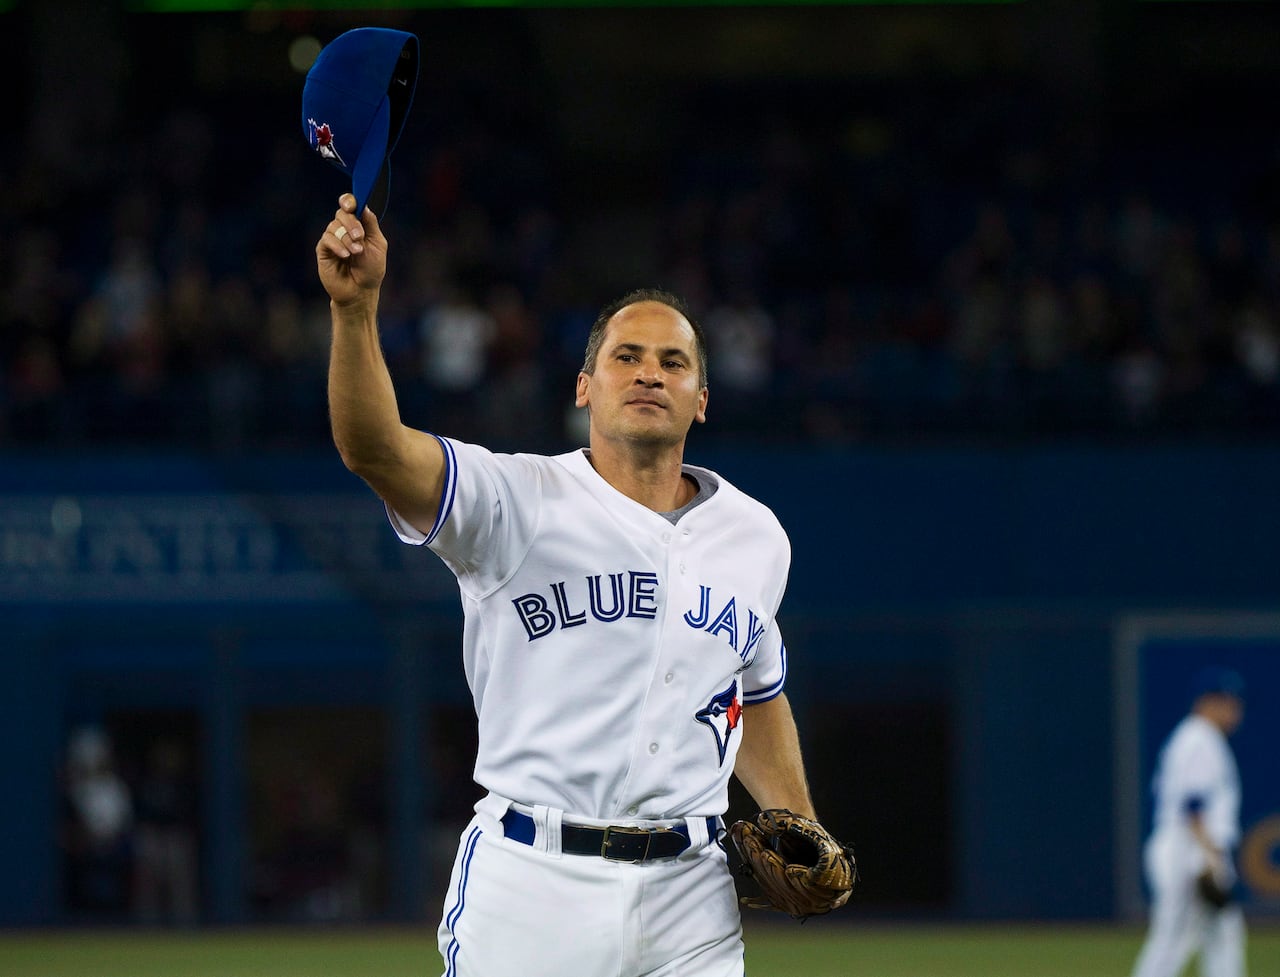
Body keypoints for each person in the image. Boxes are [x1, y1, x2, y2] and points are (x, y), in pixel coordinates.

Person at [316, 193, 836, 976]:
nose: (648, 373)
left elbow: (755, 691)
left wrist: (795, 815)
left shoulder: (756, 537)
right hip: (533, 879)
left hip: (691, 893)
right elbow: (374, 450)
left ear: (702, 398)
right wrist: (355, 313)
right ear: (585, 386)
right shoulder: (513, 501)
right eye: (625, 356)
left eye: (673, 362)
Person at [1131, 667, 1247, 977]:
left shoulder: (1194, 737)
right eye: (1229, 702)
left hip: (1189, 845)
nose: (1236, 710)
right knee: (1174, 939)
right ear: (1209, 702)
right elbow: (1192, 807)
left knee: (1221, 936)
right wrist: (1210, 859)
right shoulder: (1199, 738)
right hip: (1188, 848)